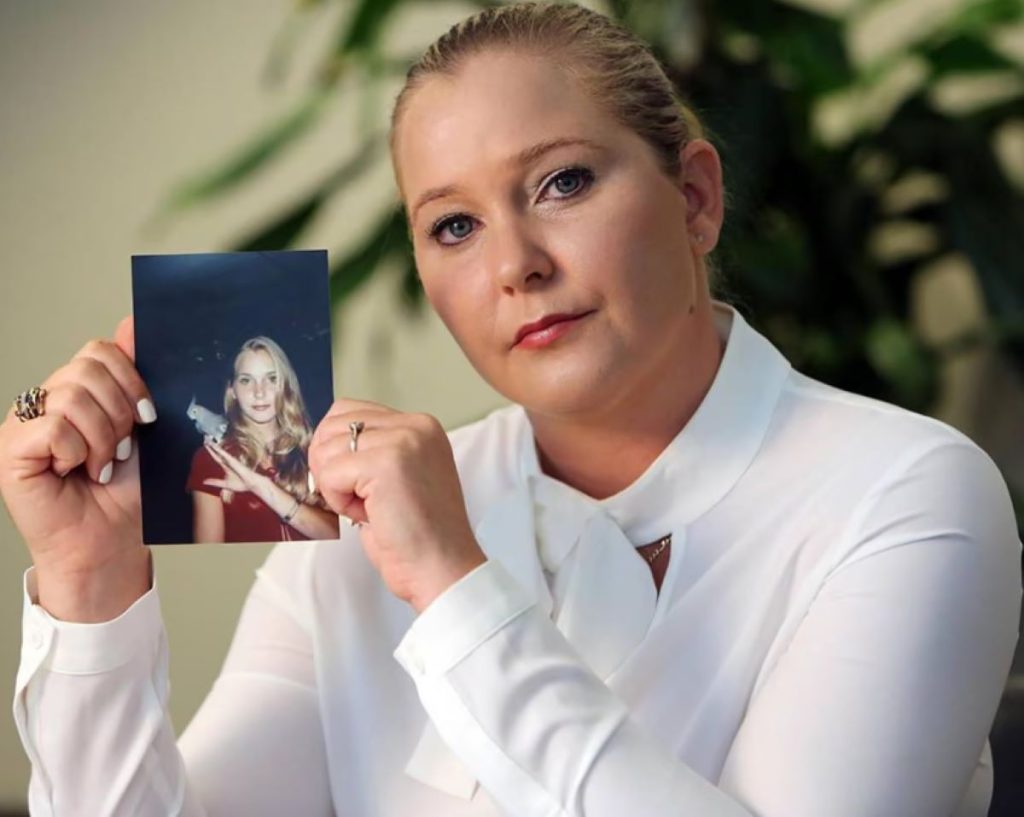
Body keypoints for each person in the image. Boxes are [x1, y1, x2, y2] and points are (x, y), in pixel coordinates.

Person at [1, 3, 1020, 815]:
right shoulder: (344, 537)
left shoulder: (904, 490)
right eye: (452, 226)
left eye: (562, 182)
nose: (514, 266)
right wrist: (87, 583)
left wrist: (457, 588)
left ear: (696, 198)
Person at [185, 335, 340, 543]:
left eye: (272, 378)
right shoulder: (213, 459)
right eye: (246, 380)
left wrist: (263, 488)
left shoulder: (314, 449)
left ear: (286, 385)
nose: (259, 392)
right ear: (232, 391)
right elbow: (206, 559)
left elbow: (341, 536)